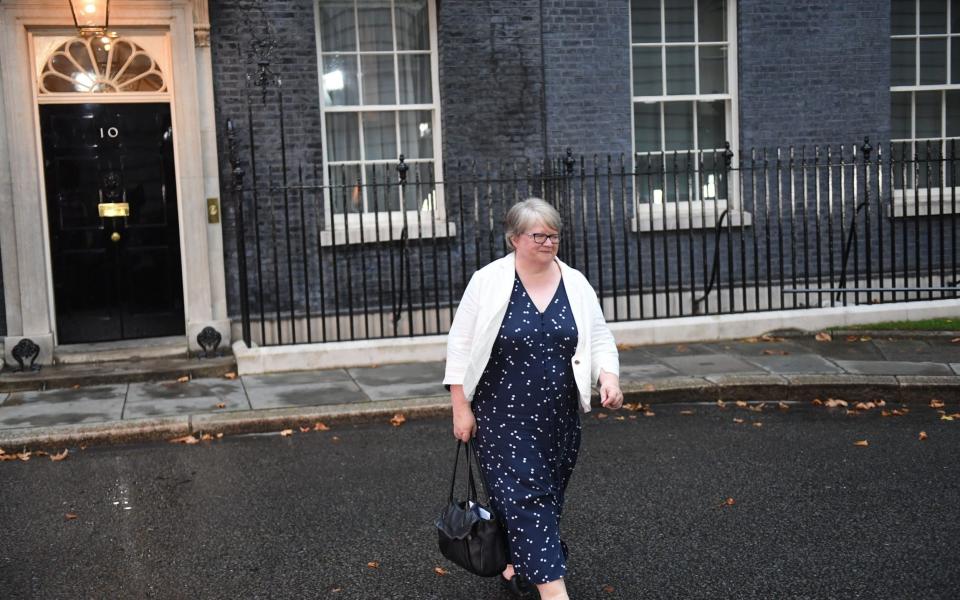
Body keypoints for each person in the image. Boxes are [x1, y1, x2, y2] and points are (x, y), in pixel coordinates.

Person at [444, 198, 623, 600]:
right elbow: (460, 346)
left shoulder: (575, 282)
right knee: (528, 496)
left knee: (544, 496)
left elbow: (598, 338)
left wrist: (608, 376)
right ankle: (553, 591)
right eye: (538, 235)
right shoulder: (488, 281)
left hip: (559, 418)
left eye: (553, 235)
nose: (548, 242)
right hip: (502, 415)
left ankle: (514, 565)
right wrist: (461, 407)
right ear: (514, 239)